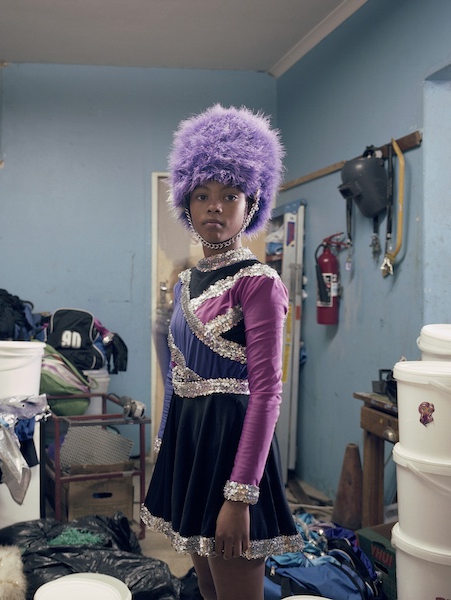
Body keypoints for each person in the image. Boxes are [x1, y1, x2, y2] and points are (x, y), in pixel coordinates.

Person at [141, 104, 304, 600]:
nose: (214, 206)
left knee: (235, 587)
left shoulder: (259, 282)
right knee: (208, 585)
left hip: (233, 446)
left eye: (229, 195)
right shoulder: (185, 282)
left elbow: (267, 393)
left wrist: (241, 494)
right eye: (202, 195)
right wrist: (166, 448)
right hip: (190, 444)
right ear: (185, 203)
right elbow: (175, 375)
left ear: (251, 203)